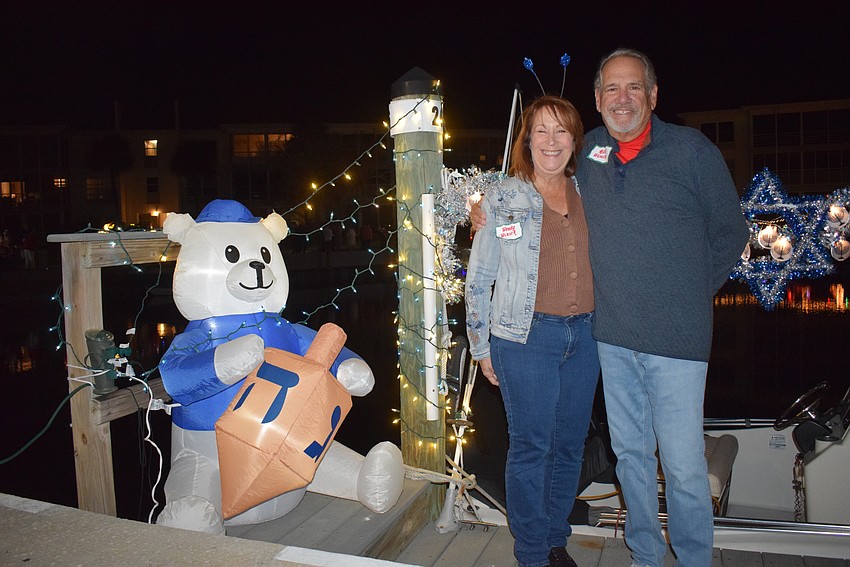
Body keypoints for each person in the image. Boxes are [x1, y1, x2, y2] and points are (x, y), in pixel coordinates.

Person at [471, 49, 749, 567]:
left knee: (684, 468)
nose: (622, 99)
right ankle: (637, 556)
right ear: (597, 101)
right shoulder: (578, 162)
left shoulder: (687, 152)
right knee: (630, 461)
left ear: (653, 95)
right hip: (607, 341)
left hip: (670, 343)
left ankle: (691, 560)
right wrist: (479, 210)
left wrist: (690, 294)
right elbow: (498, 239)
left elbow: (730, 232)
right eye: (611, 90)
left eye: (633, 88)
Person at [465, 95, 599, 567]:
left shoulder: (589, 190)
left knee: (569, 446)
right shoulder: (504, 197)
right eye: (540, 130)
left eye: (561, 130)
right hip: (524, 340)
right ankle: (532, 554)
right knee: (531, 447)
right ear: (526, 139)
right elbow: (480, 277)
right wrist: (481, 347)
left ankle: (554, 537)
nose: (551, 141)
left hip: (584, 338)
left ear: (574, 140)